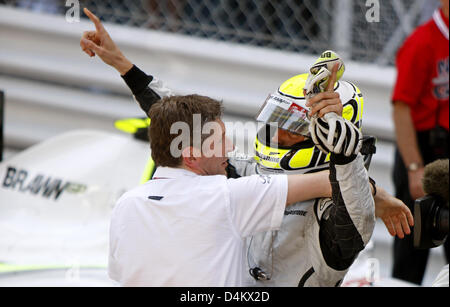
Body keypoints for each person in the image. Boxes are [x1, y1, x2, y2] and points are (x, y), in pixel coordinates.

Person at [79, 8, 412, 286]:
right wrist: (124, 65)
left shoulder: (337, 207)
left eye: (292, 130)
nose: (278, 136)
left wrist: (349, 161)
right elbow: (181, 127)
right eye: (276, 122)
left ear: (329, 133)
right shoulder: (243, 181)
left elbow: (353, 217)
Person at [391, 0, 449, 285]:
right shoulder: (422, 41)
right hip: (422, 148)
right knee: (413, 247)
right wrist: (415, 168)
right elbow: (401, 108)